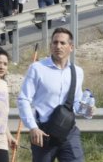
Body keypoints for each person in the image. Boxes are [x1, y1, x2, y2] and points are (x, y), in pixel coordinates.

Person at [17, 27, 89, 162]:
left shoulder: (77, 72)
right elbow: (23, 99)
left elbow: (77, 103)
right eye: (55, 43)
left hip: (69, 132)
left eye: (63, 43)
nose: (58, 46)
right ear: (50, 46)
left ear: (71, 47)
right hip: (43, 133)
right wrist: (33, 127)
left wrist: (88, 110)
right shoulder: (37, 68)